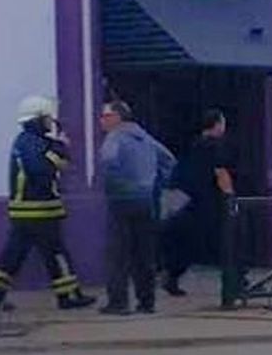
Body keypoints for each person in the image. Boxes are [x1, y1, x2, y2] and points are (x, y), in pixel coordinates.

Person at [0, 96, 97, 311]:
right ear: (38, 119)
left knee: (13, 254)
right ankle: (69, 295)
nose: (50, 123)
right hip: (41, 212)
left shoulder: (23, 141)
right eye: (47, 118)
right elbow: (44, 170)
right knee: (56, 253)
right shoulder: (37, 144)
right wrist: (61, 148)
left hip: (23, 212)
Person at [97, 100, 175, 315]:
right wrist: (155, 184)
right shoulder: (145, 138)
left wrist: (113, 185)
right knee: (144, 253)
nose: (101, 121)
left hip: (121, 200)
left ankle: (119, 302)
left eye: (105, 116)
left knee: (118, 254)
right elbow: (168, 160)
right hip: (146, 200)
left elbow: (108, 162)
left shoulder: (115, 138)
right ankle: (147, 301)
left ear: (117, 118)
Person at [160, 109, 232, 297]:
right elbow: (220, 171)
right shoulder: (215, 146)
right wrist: (230, 196)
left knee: (189, 242)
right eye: (222, 123)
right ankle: (237, 280)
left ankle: (172, 275)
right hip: (211, 201)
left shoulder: (194, 144)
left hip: (191, 199)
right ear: (217, 124)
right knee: (226, 240)